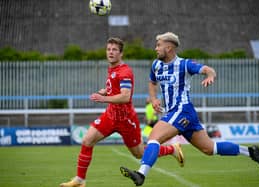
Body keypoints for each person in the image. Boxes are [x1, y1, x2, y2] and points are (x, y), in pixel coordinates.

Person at [120, 32, 259, 186]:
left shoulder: (184, 64)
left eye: (159, 45)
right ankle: (250, 152)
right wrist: (154, 98)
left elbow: (208, 69)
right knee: (210, 148)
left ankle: (141, 174)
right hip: (176, 113)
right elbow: (152, 82)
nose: (156, 48)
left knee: (154, 138)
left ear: (169, 48)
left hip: (182, 110)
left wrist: (210, 75)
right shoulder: (156, 65)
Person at [60, 37, 184, 187]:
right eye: (108, 49)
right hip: (111, 115)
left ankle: (172, 149)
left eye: (114, 50)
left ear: (121, 54)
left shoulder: (124, 72)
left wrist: (102, 98)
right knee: (87, 140)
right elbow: (116, 87)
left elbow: (125, 96)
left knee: (139, 153)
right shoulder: (112, 68)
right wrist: (106, 91)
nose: (110, 52)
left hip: (126, 119)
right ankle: (80, 180)